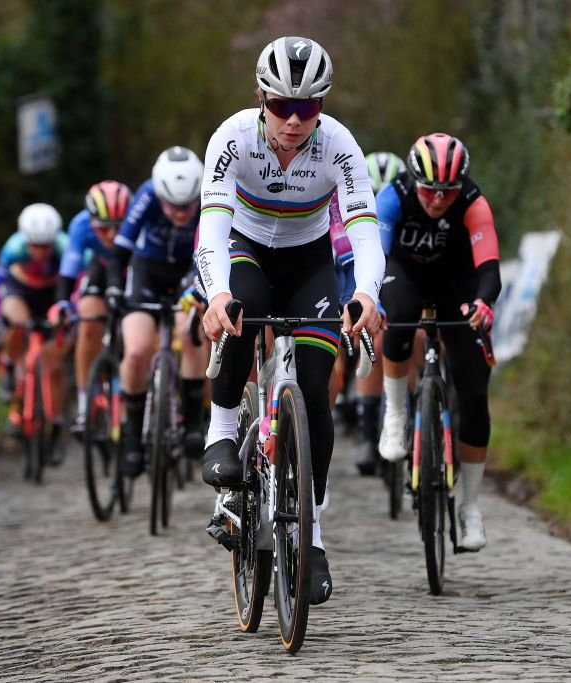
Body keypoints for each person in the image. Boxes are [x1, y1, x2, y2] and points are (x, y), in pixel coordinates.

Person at [196, 36, 384, 605]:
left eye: (310, 107)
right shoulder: (231, 139)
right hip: (246, 250)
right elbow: (213, 228)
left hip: (308, 262)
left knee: (315, 387)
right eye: (282, 106)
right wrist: (217, 292)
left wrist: (368, 293)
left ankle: (313, 534)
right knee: (240, 313)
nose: (296, 120)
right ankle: (222, 433)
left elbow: (364, 229)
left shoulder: (339, 145)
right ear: (261, 98)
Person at [375, 133, 501, 551]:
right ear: (414, 180)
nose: (437, 199)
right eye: (429, 189)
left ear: (461, 185)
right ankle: (395, 413)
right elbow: (374, 255)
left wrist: (483, 302)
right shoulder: (393, 198)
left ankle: (470, 508)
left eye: (448, 191)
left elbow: (489, 270)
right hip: (406, 276)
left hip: (457, 283)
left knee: (473, 390)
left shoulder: (473, 202)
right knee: (399, 317)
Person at [111, 147, 207, 477]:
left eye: (186, 207)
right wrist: (113, 288)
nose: (180, 214)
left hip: (188, 270)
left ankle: (194, 421)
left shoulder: (210, 191)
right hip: (147, 270)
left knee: (191, 330)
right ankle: (132, 437)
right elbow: (120, 250)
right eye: (172, 206)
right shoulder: (148, 193)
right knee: (137, 349)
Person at [0, 203, 70, 439]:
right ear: (25, 239)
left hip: (52, 294)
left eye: (46, 246)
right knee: (16, 321)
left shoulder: (65, 247)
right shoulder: (14, 247)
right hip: (21, 290)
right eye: (35, 245)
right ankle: (9, 367)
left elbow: (78, 282)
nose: (40, 251)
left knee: (55, 364)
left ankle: (58, 420)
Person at [56, 180, 133, 437]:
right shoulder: (80, 226)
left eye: (118, 227)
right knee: (87, 322)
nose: (111, 236)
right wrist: (62, 303)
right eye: (103, 228)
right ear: (91, 221)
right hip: (100, 272)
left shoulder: (139, 221)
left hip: (135, 271)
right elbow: (69, 270)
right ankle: (83, 405)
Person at [351, 151, 404, 474]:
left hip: (399, 276)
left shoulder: (400, 210)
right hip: (365, 279)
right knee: (374, 342)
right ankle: (369, 436)